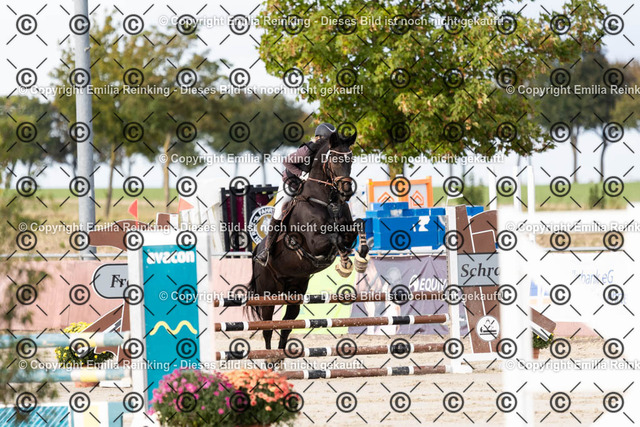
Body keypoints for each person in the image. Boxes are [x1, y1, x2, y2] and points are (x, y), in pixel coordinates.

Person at [255, 123, 336, 266]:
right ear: (320, 138)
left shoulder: (329, 154)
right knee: (278, 212)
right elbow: (286, 162)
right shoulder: (307, 150)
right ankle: (266, 250)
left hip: (309, 186)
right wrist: (301, 174)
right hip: (291, 183)